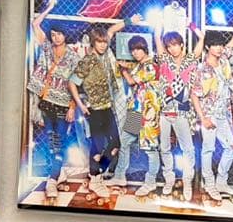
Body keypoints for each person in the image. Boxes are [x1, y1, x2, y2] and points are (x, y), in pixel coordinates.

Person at [27, 0, 80, 198]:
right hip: (46, 102)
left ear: (65, 35)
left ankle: (51, 181)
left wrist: (72, 107)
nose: (56, 37)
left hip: (63, 105)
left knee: (59, 144)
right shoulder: (47, 48)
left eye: (59, 34)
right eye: (53, 34)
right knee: (51, 143)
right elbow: (35, 24)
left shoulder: (73, 57)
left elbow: (76, 84)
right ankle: (59, 175)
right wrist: (49, 7)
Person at [191, 27, 233, 201]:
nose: (219, 48)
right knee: (208, 149)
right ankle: (209, 184)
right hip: (209, 115)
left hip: (224, 114)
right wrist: (203, 118)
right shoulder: (203, 69)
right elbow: (194, 95)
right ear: (208, 47)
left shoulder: (223, 59)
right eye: (215, 45)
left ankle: (221, 182)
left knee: (231, 147)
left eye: (220, 45)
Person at [68, 25, 123, 201]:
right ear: (93, 42)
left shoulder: (104, 57)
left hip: (107, 108)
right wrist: (80, 105)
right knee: (97, 146)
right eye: (99, 42)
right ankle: (95, 178)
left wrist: (129, 21)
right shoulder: (88, 60)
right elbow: (72, 83)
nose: (103, 45)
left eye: (104, 42)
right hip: (95, 110)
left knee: (115, 144)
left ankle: (96, 173)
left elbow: (111, 31)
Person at [106, 35, 161, 197]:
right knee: (124, 142)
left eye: (138, 49)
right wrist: (126, 66)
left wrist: (123, 70)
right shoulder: (139, 65)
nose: (135, 53)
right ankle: (119, 176)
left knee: (150, 149)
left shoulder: (150, 66)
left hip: (148, 114)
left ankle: (150, 182)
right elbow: (132, 70)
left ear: (145, 49)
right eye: (133, 50)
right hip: (136, 112)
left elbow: (131, 81)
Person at [154, 25, 203, 202]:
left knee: (188, 149)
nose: (172, 49)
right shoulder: (164, 60)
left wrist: (191, 25)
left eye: (175, 45)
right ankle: (169, 179)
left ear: (182, 44)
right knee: (164, 147)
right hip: (165, 110)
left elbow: (201, 38)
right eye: (169, 46)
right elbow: (157, 38)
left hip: (183, 111)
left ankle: (187, 181)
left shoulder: (190, 60)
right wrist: (159, 25)